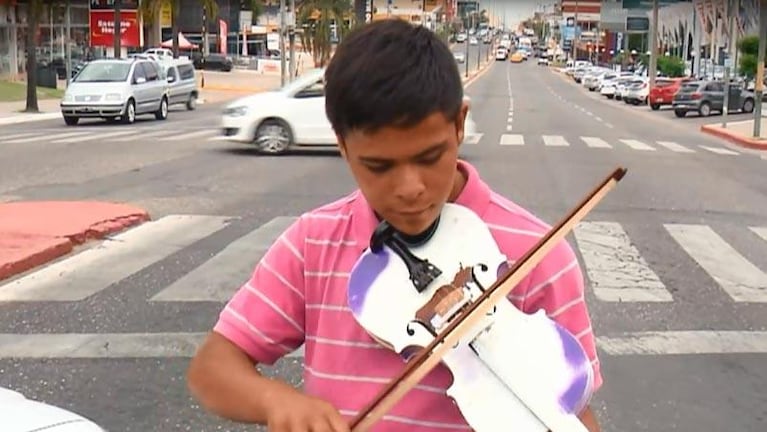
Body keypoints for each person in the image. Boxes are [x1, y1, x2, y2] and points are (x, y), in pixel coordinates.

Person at [187, 19, 603, 432]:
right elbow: (214, 366)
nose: (409, 189)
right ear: (342, 144)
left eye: (428, 158)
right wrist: (274, 399)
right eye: (378, 166)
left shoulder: (538, 255)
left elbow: (570, 411)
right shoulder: (312, 242)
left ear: (460, 125)